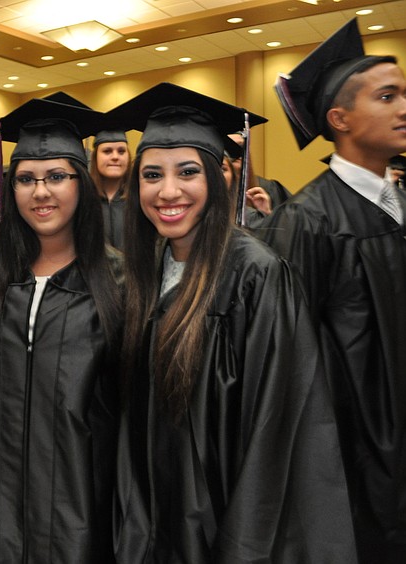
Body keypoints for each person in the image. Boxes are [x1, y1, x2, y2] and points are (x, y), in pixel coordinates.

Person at [106, 82, 356, 562]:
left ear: (219, 178)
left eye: (188, 172)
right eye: (152, 174)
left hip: (222, 523)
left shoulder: (256, 275)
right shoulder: (147, 269)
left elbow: (276, 430)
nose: (168, 191)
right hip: (153, 519)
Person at [259, 18, 406, 562]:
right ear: (339, 119)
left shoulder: (398, 201)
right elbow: (289, 359)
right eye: (387, 97)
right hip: (356, 451)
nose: (403, 108)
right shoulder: (306, 219)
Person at [0, 98, 122, 563]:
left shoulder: (118, 280)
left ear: (81, 182)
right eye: (26, 179)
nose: (40, 192)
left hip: (78, 510)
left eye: (56, 177)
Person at [89, 130, 130, 249]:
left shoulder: (140, 199)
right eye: (107, 151)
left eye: (121, 151)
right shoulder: (83, 199)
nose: (115, 157)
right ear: (95, 157)